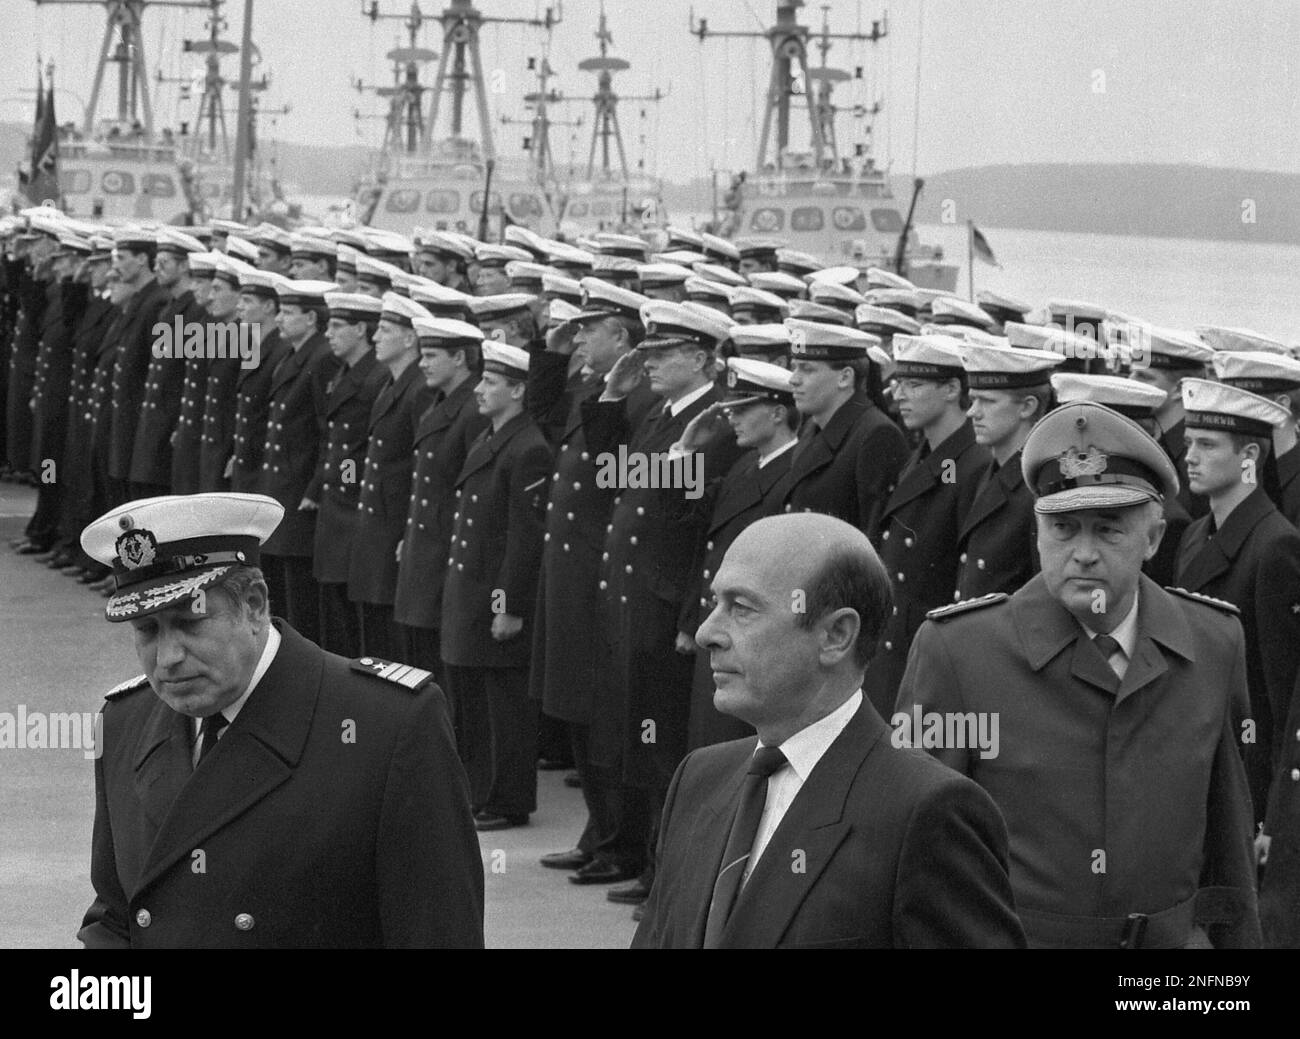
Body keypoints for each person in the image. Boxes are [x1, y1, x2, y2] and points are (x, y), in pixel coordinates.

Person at [896, 400, 1261, 948]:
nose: (1083, 554)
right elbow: (917, 849)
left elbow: (1229, 849)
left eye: (1108, 530)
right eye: (1063, 529)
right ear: (1037, 533)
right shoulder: (961, 654)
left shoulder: (1211, 644)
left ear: (1154, 538)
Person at [77, 492, 484, 948]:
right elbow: (115, 918)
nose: (168, 658)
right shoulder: (124, 722)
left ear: (253, 604)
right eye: (147, 631)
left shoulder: (388, 725)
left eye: (190, 624)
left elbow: (438, 932)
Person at [632, 513, 1025, 949]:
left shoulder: (926, 811)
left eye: (741, 608)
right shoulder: (698, 779)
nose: (707, 632)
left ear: (836, 635)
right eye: (715, 603)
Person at [1175, 378, 1300, 830]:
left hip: (1245, 777)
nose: (1190, 456)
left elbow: (1282, 696)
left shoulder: (1275, 545)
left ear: (1249, 457)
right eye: (1189, 442)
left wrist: (1273, 816)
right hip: (1197, 753)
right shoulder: (1195, 534)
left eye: (1207, 445)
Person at [440, 341, 553, 830]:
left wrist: (508, 606)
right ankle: (477, 789)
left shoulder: (529, 448)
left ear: (519, 390)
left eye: (491, 383)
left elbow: (524, 540)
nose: (481, 391)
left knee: (502, 705)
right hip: (472, 589)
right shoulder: (492, 436)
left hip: (494, 595)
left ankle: (506, 797)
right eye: (482, 380)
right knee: (473, 700)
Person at [864, 335, 987, 714]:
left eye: (914, 384)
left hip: (926, 651)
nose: (899, 394)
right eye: (898, 383)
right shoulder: (923, 455)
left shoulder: (971, 463)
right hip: (892, 646)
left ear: (952, 389)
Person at [681, 357, 799, 750]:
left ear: (778, 413)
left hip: (750, 633)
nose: (733, 419)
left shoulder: (794, 471)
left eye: (744, 410)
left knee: (733, 746)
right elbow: (696, 523)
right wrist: (684, 453)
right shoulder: (747, 463)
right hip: (721, 621)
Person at [952, 343, 1062, 601]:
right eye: (973, 399)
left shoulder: (1040, 486)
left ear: (1027, 407)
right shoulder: (992, 471)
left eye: (987, 401)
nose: (972, 412)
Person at [780, 318, 908, 537]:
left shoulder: (875, 435)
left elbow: (872, 533)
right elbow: (697, 495)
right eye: (794, 368)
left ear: (845, 377)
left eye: (806, 369)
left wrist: (698, 459)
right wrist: (697, 452)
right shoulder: (812, 427)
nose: (793, 379)